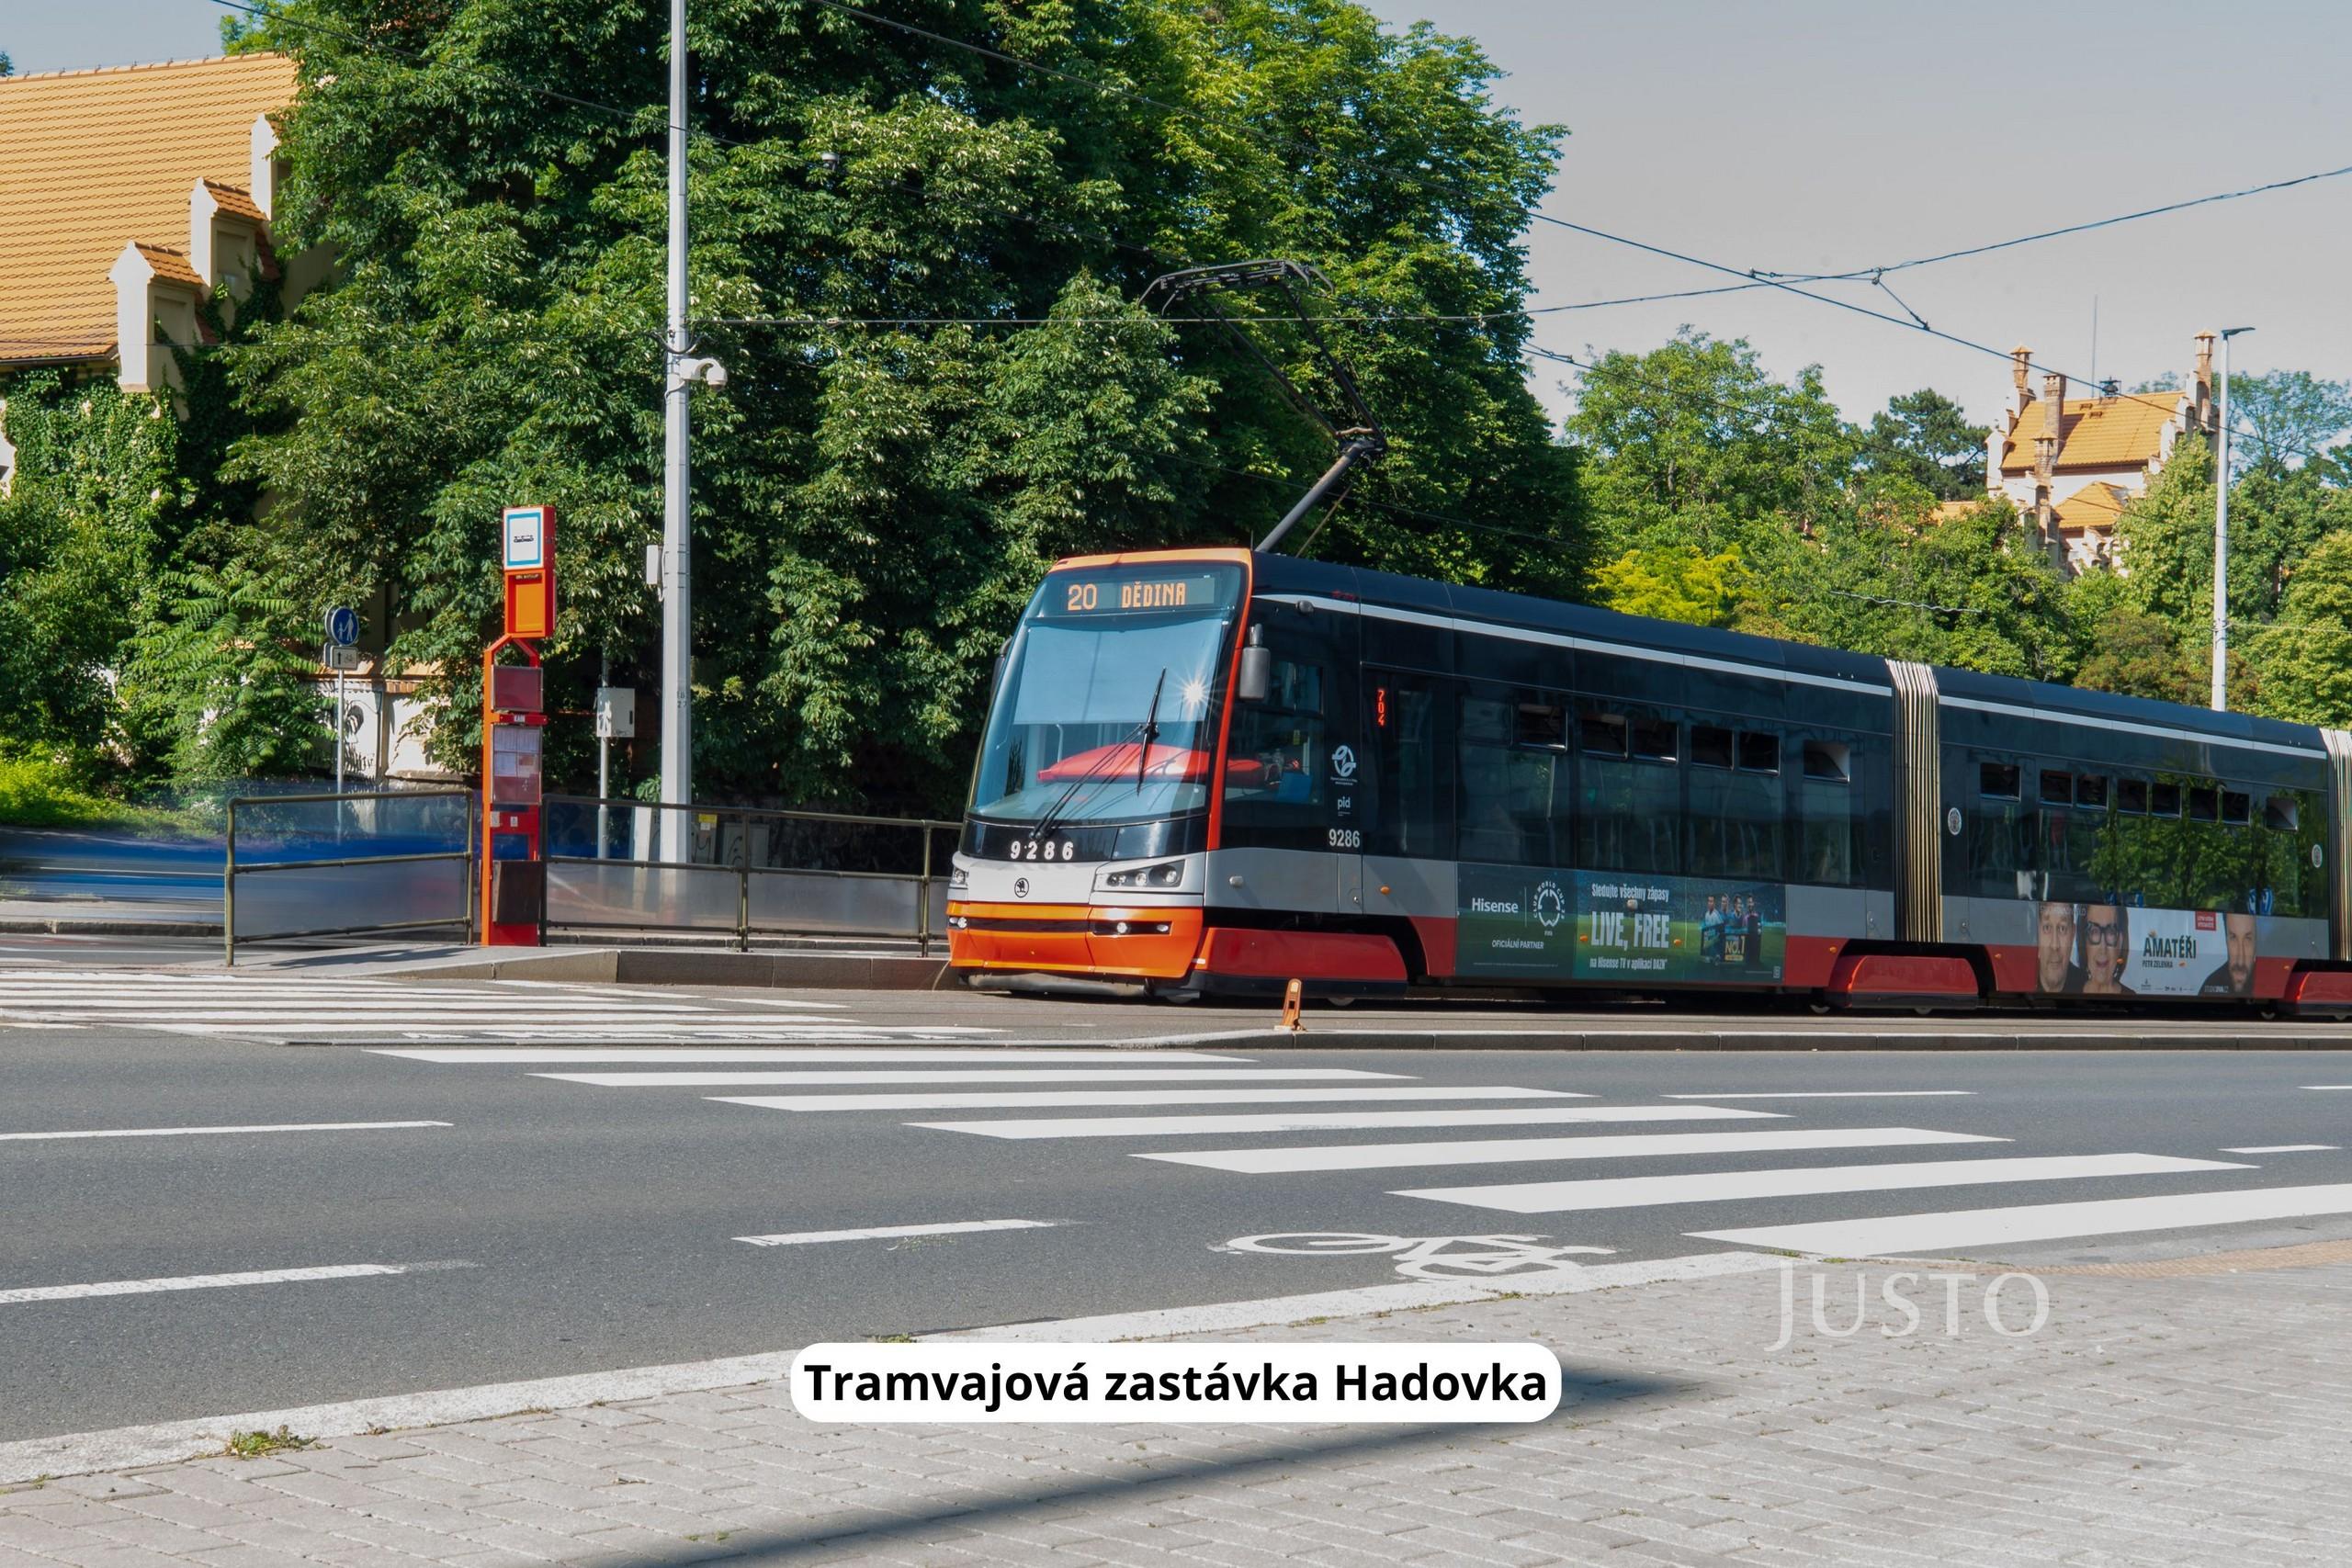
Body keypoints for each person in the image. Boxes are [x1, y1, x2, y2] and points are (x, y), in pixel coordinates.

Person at [2199, 911, 2258, 996]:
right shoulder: (2211, 985)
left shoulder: (2270, 983)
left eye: (2248, 939)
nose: (2240, 962)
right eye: (2233, 937)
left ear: (2256, 941)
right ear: (2226, 939)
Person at [2080, 903, 2133, 995]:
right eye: (2094, 931)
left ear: (2121, 940)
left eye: (2111, 932)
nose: (2103, 949)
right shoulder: (2068, 990)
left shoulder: (2132, 998)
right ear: (2083, 940)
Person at [2035, 899, 2083, 994]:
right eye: (2047, 928)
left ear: (2073, 934)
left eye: (2062, 928)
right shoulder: (2021, 981)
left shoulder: (2087, 986)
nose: (2054, 945)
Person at [1700, 896, 1723, 964]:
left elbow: (1721, 928)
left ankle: (1717, 956)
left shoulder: (1716, 914)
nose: (1710, 903)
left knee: (1710, 940)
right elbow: (1707, 927)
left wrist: (1716, 936)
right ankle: (1710, 957)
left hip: (1716, 936)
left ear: (1714, 903)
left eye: (1711, 901)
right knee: (1705, 936)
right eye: (1709, 901)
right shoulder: (1706, 914)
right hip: (1710, 935)